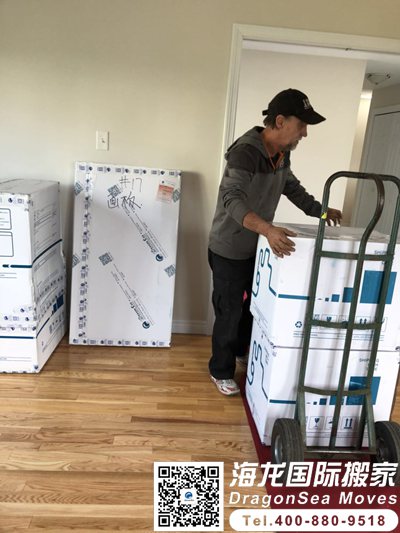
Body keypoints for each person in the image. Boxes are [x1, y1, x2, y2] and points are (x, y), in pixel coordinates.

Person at [208, 88, 342, 396]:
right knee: (229, 312)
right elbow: (232, 198)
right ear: (280, 121)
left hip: (256, 245)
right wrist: (268, 229)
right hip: (229, 247)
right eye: (302, 125)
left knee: (252, 307)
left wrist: (321, 212)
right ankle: (220, 370)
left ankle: (239, 352)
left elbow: (291, 187)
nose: (305, 133)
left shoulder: (282, 153)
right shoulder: (245, 152)